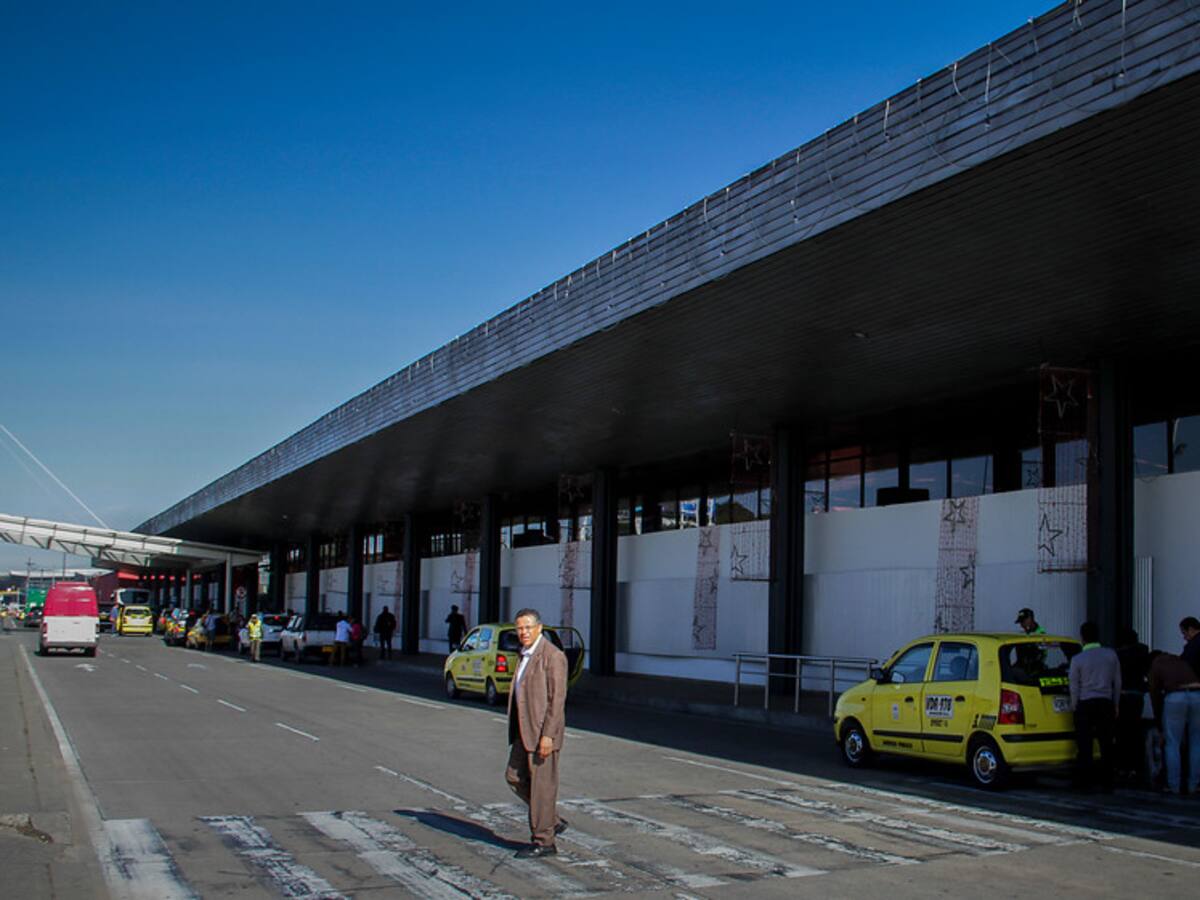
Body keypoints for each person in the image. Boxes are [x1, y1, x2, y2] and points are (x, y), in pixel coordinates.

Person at [504, 608, 568, 859]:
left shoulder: (552, 656)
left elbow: (557, 699)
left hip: (542, 733)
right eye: (519, 628)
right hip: (524, 730)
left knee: (542, 787)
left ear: (540, 628)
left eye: (528, 627)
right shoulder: (524, 655)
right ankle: (550, 818)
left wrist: (548, 736)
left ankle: (544, 841)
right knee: (513, 776)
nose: (523, 632)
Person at [1069, 621, 1121, 792]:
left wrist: (1075, 705)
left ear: (1083, 638)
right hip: (1105, 702)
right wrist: (1115, 703)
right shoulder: (1111, 655)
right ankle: (1108, 782)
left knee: (1085, 745)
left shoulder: (1077, 659)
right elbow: (1117, 682)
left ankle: (1085, 782)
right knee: (1107, 744)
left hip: (1085, 703)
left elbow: (1074, 686)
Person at [1148, 649, 1200, 795]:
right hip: (1197, 694)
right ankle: (1194, 785)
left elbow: (1154, 693)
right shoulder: (1179, 660)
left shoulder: (1156, 664)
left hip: (1175, 696)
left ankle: (1174, 785)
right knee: (1196, 742)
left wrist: (1159, 721)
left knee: (1172, 743)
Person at [1115, 627, 1150, 778]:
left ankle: (1124, 766)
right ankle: (1137, 767)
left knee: (1123, 732)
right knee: (1136, 730)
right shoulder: (1143, 651)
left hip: (1123, 695)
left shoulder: (1119, 655)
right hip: (1137, 694)